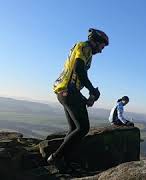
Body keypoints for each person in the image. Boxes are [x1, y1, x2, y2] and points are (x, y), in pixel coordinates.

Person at [48, 28, 109, 169]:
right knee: (83, 128)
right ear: (95, 41)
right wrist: (92, 90)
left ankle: (65, 159)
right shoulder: (85, 46)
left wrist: (90, 95)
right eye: (102, 46)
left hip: (64, 91)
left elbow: (78, 73)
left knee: (74, 128)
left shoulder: (82, 48)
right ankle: (55, 157)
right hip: (69, 91)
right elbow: (79, 69)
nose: (101, 50)